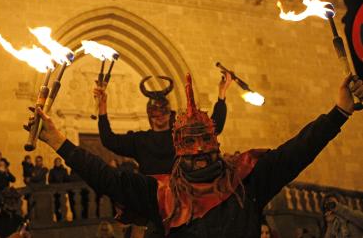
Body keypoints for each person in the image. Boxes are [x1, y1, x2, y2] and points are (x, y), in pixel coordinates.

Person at [27, 73, 363, 237]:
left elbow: (299, 149)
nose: (201, 156)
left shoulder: (247, 180)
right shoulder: (158, 196)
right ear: (179, 151)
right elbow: (106, 176)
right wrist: (58, 140)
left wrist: (340, 111)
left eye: (206, 148)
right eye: (193, 151)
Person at [94, 74, 231, 175]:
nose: (159, 116)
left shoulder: (182, 135)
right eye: (155, 112)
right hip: (152, 197)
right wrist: (102, 106)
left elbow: (214, 127)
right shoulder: (139, 140)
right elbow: (108, 140)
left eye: (163, 111)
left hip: (181, 194)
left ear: (169, 113)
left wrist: (221, 94)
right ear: (149, 115)